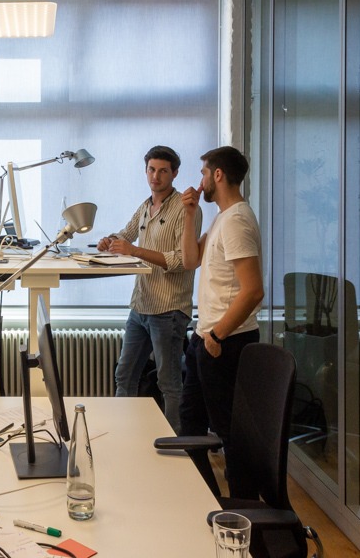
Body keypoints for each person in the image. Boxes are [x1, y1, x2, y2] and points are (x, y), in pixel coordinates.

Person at [98, 145, 202, 433]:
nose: (155, 176)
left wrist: (135, 250)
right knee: (124, 375)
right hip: (141, 305)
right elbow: (126, 233)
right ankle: (124, 434)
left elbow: (183, 261)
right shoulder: (146, 206)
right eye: (151, 170)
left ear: (175, 173)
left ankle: (176, 447)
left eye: (163, 171)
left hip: (168, 309)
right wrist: (110, 240)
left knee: (169, 383)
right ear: (145, 171)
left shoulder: (186, 208)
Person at [179, 146, 264, 497]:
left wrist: (216, 334)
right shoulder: (222, 218)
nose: (199, 181)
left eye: (203, 173)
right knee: (190, 424)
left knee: (230, 431)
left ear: (217, 175)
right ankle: (205, 499)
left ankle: (245, 511)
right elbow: (189, 260)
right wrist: (188, 215)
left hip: (225, 342)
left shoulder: (238, 221)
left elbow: (254, 290)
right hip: (207, 338)